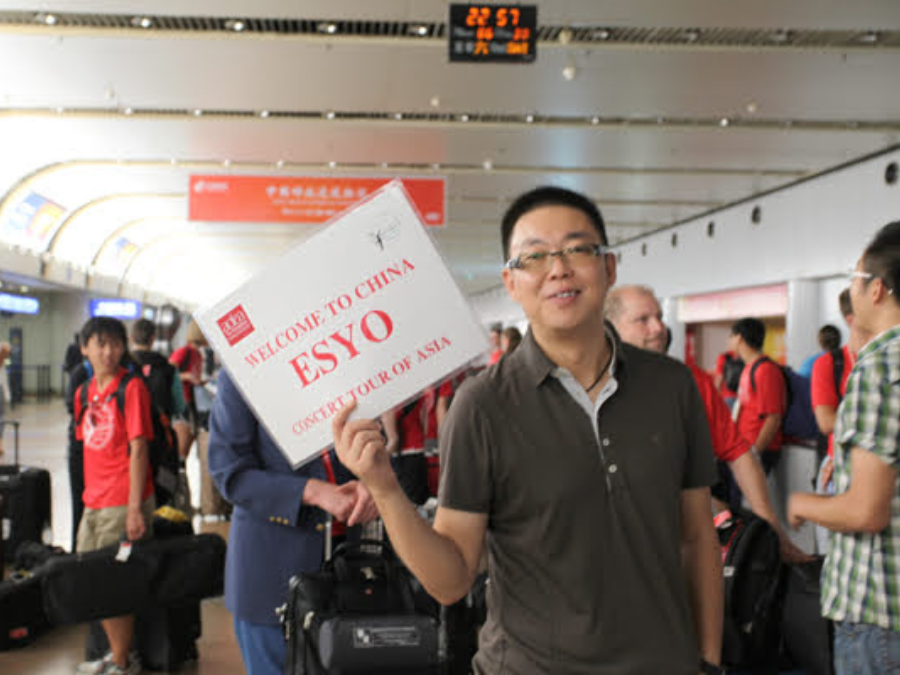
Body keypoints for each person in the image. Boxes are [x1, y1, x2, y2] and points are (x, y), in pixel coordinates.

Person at [334, 186, 724, 674]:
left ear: (609, 268)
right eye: (534, 257)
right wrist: (385, 488)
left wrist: (709, 659)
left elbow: (696, 537)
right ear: (511, 283)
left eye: (578, 249)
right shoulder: (482, 405)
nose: (558, 268)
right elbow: (452, 579)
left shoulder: (671, 386)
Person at [606, 285, 810, 563]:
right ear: (610, 327)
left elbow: (738, 452)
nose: (658, 328)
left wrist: (769, 526)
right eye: (642, 320)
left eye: (659, 317)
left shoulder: (690, 382)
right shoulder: (589, 387)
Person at [207, 369, 378, 675]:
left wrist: (373, 479)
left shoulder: (347, 361)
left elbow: (372, 441)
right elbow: (230, 474)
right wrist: (311, 492)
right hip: (272, 570)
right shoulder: (241, 373)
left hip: (346, 565)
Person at [788, 221, 900, 674]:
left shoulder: (878, 370)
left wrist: (802, 503)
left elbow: (864, 512)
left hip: (879, 613)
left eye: (853, 277)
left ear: (877, 289)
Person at [74, 317, 154, 675]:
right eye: (100, 343)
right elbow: (87, 448)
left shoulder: (132, 387)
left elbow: (139, 450)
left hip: (123, 500)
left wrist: (135, 509)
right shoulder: (83, 391)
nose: (109, 351)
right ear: (85, 347)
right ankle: (116, 654)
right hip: (94, 501)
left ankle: (122, 661)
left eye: (116, 344)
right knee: (92, 581)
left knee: (114, 583)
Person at [730, 318, 787, 474]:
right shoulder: (749, 368)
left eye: (731, 336)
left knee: (751, 498)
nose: (729, 341)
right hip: (745, 449)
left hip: (759, 450)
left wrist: (755, 453)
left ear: (739, 338)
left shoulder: (765, 371)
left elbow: (773, 418)